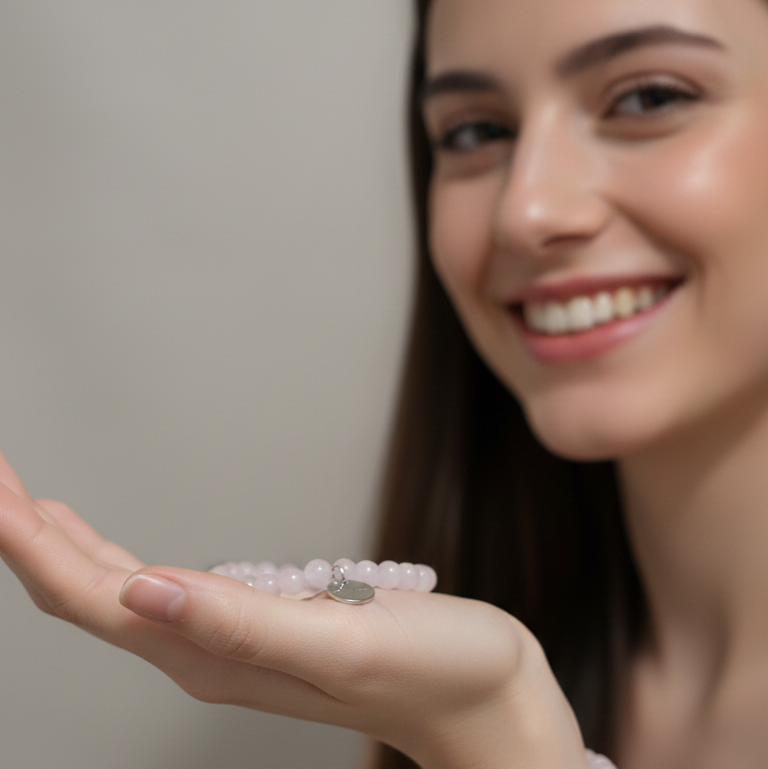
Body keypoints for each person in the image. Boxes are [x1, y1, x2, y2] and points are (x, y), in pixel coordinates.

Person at [3, 0, 768, 766]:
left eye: (651, 98)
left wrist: (503, 735)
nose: (526, 209)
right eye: (477, 131)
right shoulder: (531, 640)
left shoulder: (497, 691)